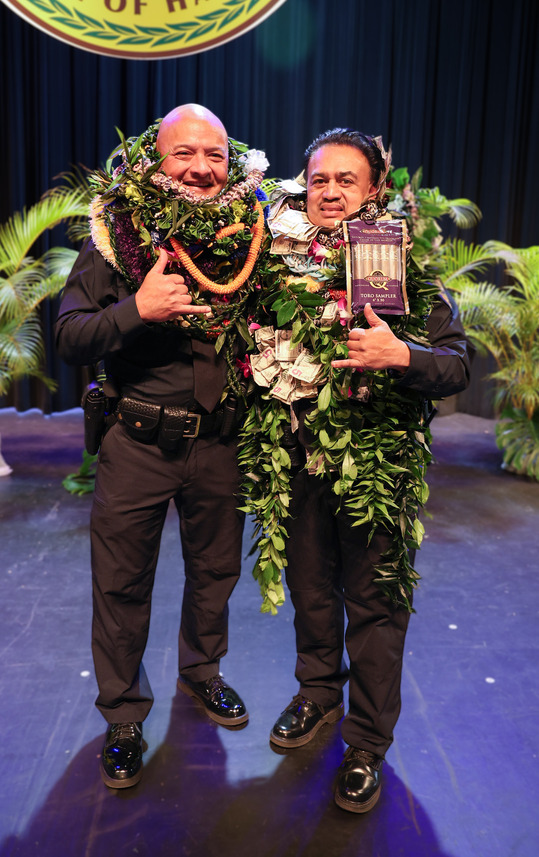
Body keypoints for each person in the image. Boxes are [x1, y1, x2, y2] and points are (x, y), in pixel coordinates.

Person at [242, 128, 472, 812]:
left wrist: (399, 355)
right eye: (319, 180)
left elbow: (455, 364)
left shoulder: (404, 265)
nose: (332, 191)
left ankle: (366, 742)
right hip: (296, 458)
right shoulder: (270, 265)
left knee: (373, 610)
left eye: (347, 180)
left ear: (372, 190)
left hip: (374, 469)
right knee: (311, 593)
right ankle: (316, 695)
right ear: (302, 187)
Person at [55, 104, 268, 789]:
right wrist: (135, 311)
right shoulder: (118, 233)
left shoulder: (257, 233)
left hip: (222, 442)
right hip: (139, 439)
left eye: (214, 155)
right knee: (120, 586)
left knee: (216, 575)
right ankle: (122, 715)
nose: (201, 168)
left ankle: (202, 672)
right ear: (156, 160)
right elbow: (68, 337)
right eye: (185, 154)